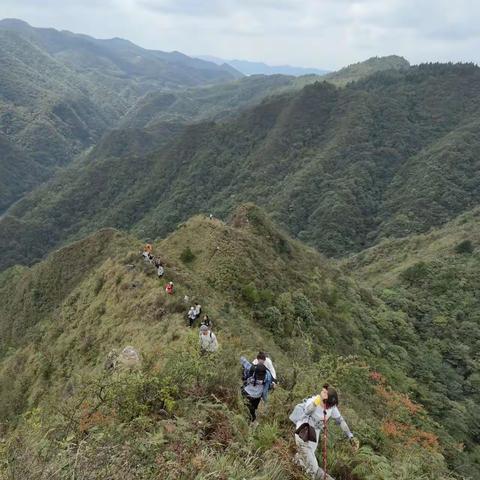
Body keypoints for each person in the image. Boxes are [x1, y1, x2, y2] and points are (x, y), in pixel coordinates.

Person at [290, 384, 359, 480]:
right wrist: (317, 401)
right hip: (304, 432)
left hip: (315, 433)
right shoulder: (315, 401)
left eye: (330, 406)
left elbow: (340, 420)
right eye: (327, 405)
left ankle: (290, 469)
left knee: (304, 459)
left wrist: (350, 436)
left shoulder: (331, 407)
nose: (327, 407)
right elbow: (307, 410)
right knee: (313, 468)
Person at [240, 356, 272, 422]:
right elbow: (265, 391)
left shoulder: (254, 370)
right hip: (254, 395)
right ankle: (250, 419)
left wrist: (240, 357)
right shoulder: (266, 375)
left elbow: (245, 363)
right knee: (251, 408)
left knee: (248, 407)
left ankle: (248, 419)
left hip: (249, 393)